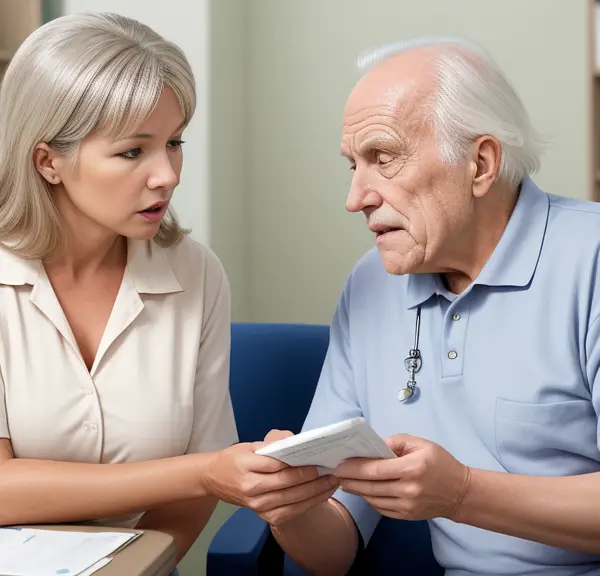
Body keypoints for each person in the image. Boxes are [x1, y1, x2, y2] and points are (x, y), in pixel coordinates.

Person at [235, 37, 600, 575]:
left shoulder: (590, 259)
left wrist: (463, 494)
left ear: (480, 163)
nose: (355, 197)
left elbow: (460, 496)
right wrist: (291, 508)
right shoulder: (370, 284)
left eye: (383, 159)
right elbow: (332, 553)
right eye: (353, 165)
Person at [0, 11, 337, 571]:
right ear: (48, 162)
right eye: (133, 151)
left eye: (174, 143)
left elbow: (193, 497)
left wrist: (137, 566)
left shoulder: (196, 275)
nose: (168, 174)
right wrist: (201, 471)